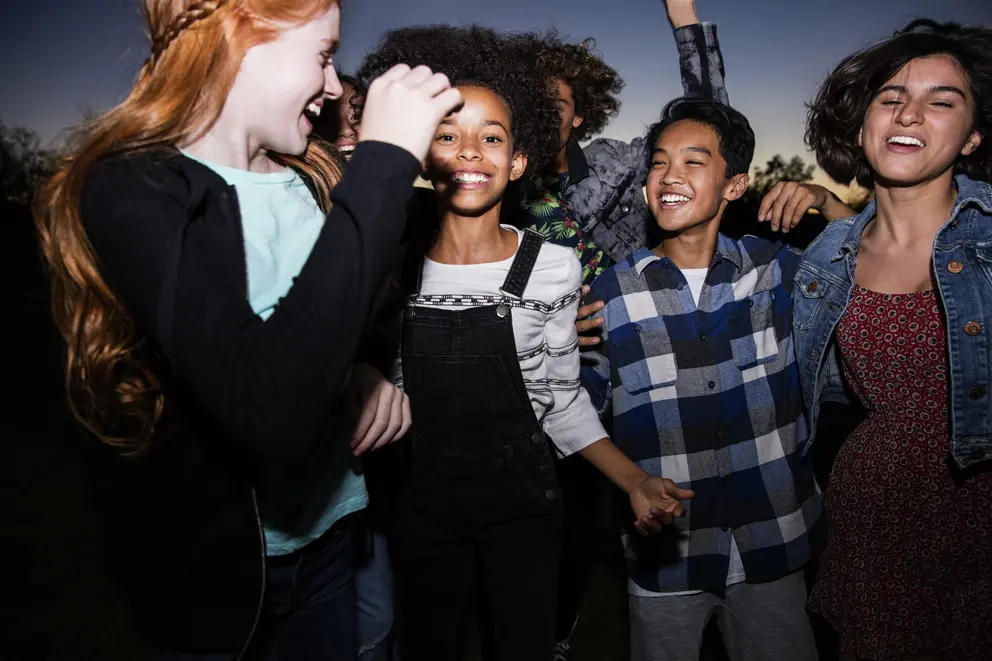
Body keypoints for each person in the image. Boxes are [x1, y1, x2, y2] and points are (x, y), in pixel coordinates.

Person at [32, 1, 463, 658]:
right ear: (238, 36)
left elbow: (334, 321)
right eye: (322, 55)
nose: (331, 85)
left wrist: (359, 371)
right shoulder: (131, 187)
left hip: (330, 539)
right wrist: (383, 159)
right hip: (213, 574)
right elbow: (267, 404)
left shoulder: (316, 178)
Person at [355, 25, 693, 661]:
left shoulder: (553, 267)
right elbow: (389, 384)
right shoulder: (393, 265)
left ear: (516, 162)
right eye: (449, 135)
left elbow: (559, 397)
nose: (471, 151)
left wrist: (633, 481)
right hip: (422, 505)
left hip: (523, 504)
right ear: (426, 154)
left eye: (491, 138)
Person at [584, 98, 825, 661]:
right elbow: (568, 407)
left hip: (774, 541)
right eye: (659, 161)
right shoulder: (608, 293)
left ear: (735, 186)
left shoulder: (777, 271)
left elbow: (881, 263)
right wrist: (629, 484)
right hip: (668, 560)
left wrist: (826, 200)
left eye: (694, 162)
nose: (669, 175)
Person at [794, 19, 992, 660]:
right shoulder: (824, 261)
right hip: (873, 515)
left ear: (972, 137)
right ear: (862, 127)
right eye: (891, 97)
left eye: (942, 100)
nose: (910, 112)